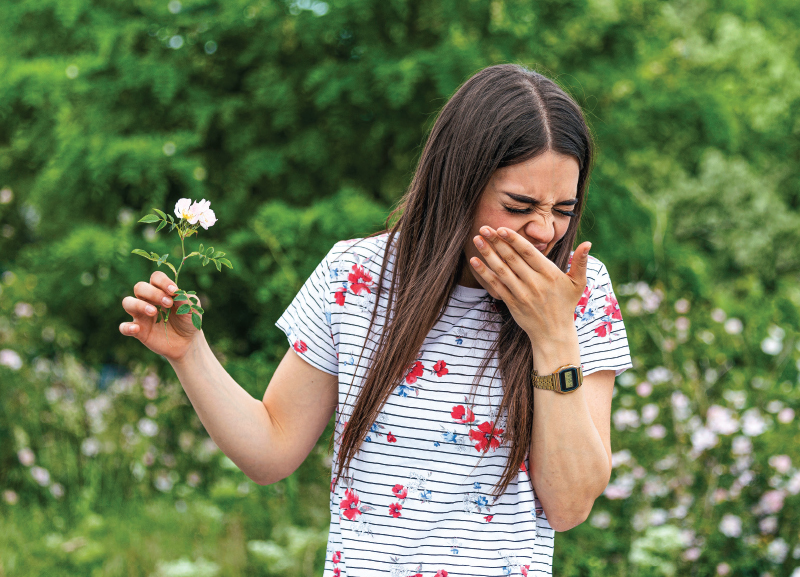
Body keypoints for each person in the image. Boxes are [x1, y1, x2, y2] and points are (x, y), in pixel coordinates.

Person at [120, 63, 632, 577]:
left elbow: (569, 507)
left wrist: (553, 334)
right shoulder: (356, 276)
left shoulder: (582, 293)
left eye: (563, 208)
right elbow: (271, 450)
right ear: (460, 184)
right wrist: (190, 354)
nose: (544, 229)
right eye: (519, 205)